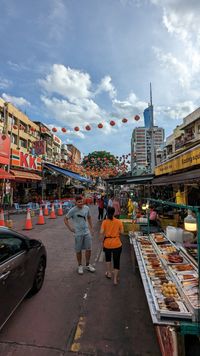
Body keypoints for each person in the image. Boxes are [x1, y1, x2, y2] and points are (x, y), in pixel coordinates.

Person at [64, 195, 96, 275]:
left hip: (86, 232)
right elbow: (65, 219)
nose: (80, 203)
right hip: (78, 233)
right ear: (75, 202)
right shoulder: (72, 210)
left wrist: (91, 228)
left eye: (81, 201)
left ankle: (88, 264)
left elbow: (89, 217)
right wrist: (70, 228)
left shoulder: (86, 208)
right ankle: (80, 265)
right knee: (78, 250)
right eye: (78, 202)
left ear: (83, 201)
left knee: (89, 249)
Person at [100, 206, 123, 285]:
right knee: (117, 262)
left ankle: (109, 273)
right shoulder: (119, 221)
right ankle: (115, 279)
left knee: (108, 259)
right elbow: (122, 232)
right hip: (117, 243)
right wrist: (116, 232)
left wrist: (105, 234)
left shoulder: (104, 222)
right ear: (114, 213)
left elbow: (101, 232)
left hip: (107, 244)